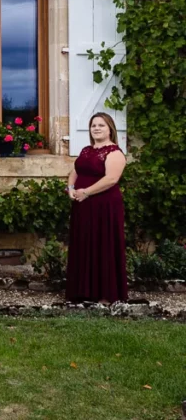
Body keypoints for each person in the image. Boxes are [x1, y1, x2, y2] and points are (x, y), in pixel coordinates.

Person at [65, 112, 128, 304]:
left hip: (105, 207)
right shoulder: (86, 151)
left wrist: (87, 192)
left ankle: (106, 294)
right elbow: (74, 172)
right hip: (83, 206)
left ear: (110, 129)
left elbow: (111, 179)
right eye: (93, 125)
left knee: (103, 244)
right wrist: (70, 189)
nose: (97, 128)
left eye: (101, 125)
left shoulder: (115, 153)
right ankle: (83, 292)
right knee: (85, 243)